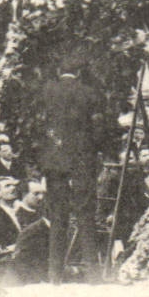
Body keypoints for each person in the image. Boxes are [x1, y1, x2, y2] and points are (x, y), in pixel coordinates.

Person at [37, 63, 102, 283]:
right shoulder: (88, 92)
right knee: (85, 215)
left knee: (58, 216)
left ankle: (54, 274)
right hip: (82, 159)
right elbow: (98, 128)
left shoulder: (46, 90)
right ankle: (93, 273)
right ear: (79, 72)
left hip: (55, 161)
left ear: (58, 71)